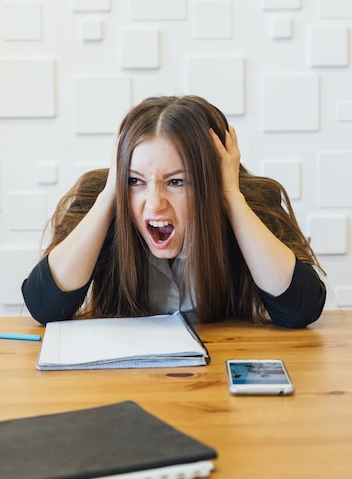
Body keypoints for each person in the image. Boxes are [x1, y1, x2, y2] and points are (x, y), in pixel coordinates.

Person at [22, 95, 326, 328]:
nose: (154, 203)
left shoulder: (250, 206)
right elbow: (44, 306)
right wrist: (111, 194)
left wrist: (231, 197)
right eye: (136, 180)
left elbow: (300, 309)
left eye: (177, 181)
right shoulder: (101, 201)